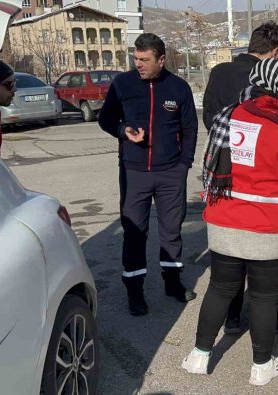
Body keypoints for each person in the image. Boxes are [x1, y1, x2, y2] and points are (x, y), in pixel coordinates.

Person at [182, 59, 278, 386]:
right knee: (262, 297)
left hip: (224, 223)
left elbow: (208, 164)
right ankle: (262, 365)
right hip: (268, 231)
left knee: (220, 288)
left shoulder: (226, 118)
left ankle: (200, 356)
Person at [99, 33, 198, 316]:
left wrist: (183, 166)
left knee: (171, 231)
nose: (138, 64)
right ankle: (135, 291)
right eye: (135, 58)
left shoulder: (178, 88)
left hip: (170, 173)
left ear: (161, 60)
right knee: (134, 232)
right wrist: (123, 131)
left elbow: (190, 129)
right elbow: (106, 119)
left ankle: (173, 283)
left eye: (144, 60)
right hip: (134, 172)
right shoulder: (123, 84)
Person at [202, 21, 278, 131]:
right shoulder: (269, 78)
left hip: (219, 143)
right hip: (257, 145)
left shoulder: (218, 71)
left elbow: (208, 114)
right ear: (276, 52)